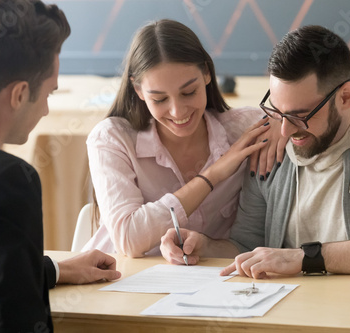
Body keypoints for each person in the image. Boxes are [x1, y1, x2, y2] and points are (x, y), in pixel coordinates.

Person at [160, 25, 350, 278]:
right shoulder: (271, 151)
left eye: (299, 115)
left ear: (345, 97)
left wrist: (305, 258)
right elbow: (248, 245)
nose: (284, 131)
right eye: (277, 112)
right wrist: (205, 245)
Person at [0, 1, 120, 332]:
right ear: (20, 94)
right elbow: (8, 317)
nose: (48, 111)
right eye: (49, 93)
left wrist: (53, 269)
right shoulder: (6, 179)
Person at [82, 19, 286, 257]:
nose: (178, 111)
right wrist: (212, 175)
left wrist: (281, 120)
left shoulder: (246, 130)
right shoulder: (112, 138)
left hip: (214, 284)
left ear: (207, 75)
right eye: (159, 99)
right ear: (138, 90)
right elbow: (129, 239)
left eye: (189, 92)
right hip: (121, 281)